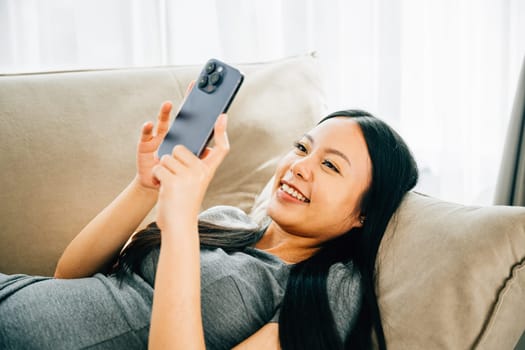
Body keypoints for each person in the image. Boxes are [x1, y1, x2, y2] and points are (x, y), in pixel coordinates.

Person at [0, 90, 418, 349]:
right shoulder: (226, 221)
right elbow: (68, 277)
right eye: (302, 148)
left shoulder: (331, 288)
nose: (299, 167)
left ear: (365, 212)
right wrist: (146, 187)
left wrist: (178, 220)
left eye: (330, 166)